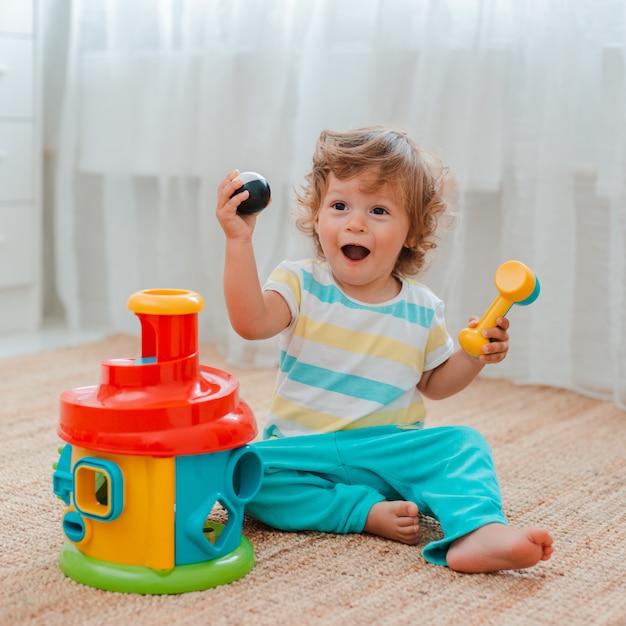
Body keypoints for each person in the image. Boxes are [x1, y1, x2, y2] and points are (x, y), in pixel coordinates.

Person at [215, 126, 554, 573]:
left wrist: (473, 356)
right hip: (306, 450)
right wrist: (239, 241)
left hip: (390, 449)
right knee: (244, 473)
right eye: (339, 206)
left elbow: (434, 384)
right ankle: (360, 511)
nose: (355, 223)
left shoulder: (422, 307)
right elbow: (250, 322)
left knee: (463, 445)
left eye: (378, 210)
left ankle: (479, 531)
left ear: (411, 232)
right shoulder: (300, 283)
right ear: (317, 219)